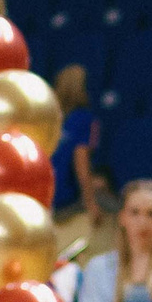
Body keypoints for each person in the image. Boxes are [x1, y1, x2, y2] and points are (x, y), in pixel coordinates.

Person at [53, 63, 103, 223]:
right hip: (66, 198)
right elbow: (81, 161)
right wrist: (90, 202)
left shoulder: (49, 117)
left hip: (45, 193)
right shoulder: (84, 119)